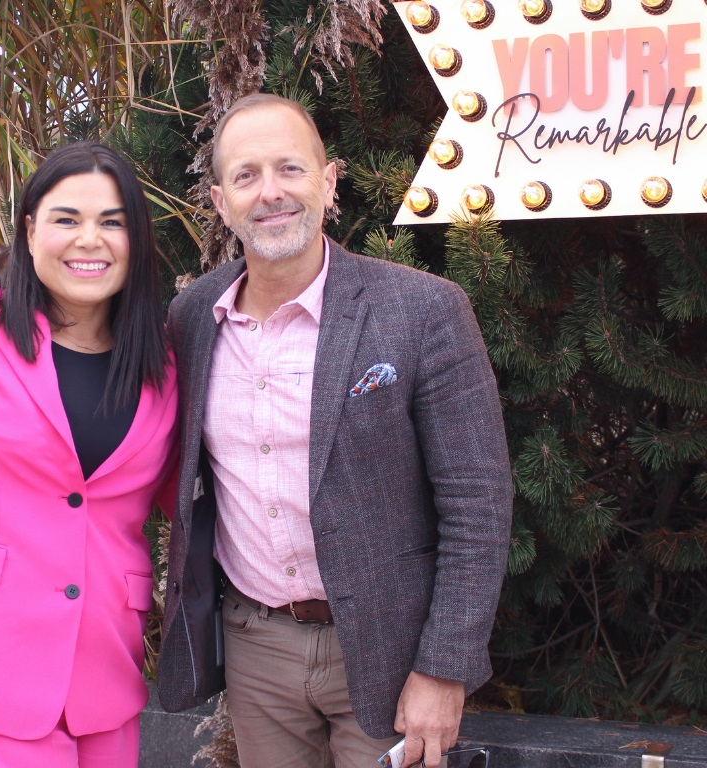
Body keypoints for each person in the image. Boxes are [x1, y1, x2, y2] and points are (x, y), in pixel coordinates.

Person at [156, 93, 514, 768]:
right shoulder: (193, 317)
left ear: (328, 181)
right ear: (219, 201)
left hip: (390, 646)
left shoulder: (423, 310)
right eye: (246, 176)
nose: (270, 193)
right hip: (257, 648)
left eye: (290, 169)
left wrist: (445, 667)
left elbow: (479, 505)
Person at [0, 141, 178, 768]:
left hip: (107, 664)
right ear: (28, 230)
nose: (90, 240)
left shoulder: (162, 363)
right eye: (66, 219)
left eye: (113, 221)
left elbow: (188, 496)